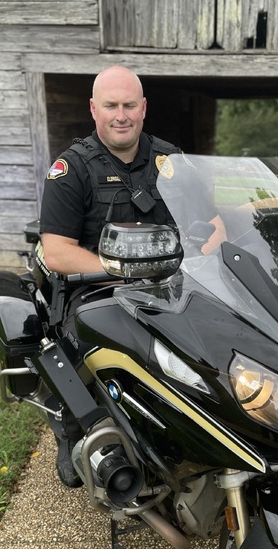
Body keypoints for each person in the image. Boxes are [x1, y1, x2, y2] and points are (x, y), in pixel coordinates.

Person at [38, 66, 184, 487]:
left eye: (129, 105)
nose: (121, 115)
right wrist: (121, 271)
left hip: (169, 287)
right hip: (96, 291)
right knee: (80, 349)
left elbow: (210, 225)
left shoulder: (171, 161)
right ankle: (74, 431)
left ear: (143, 108)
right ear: (93, 109)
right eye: (111, 105)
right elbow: (57, 251)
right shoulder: (72, 169)